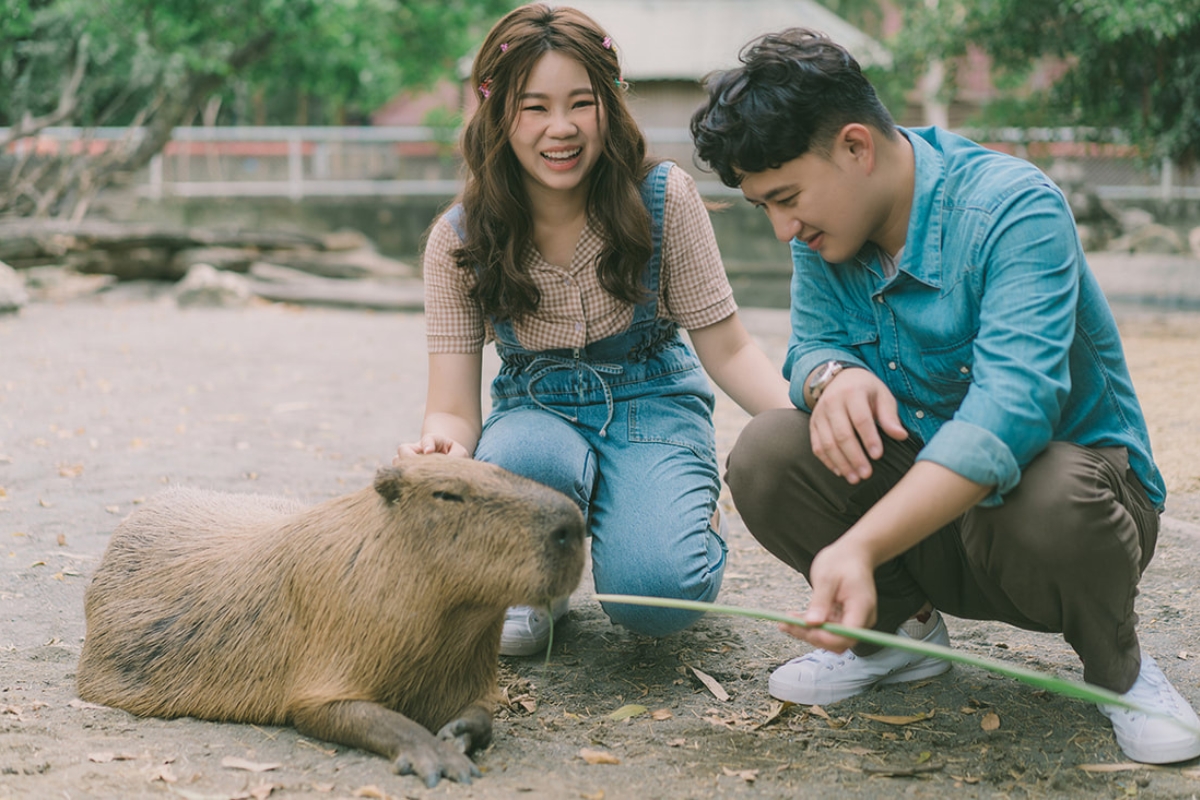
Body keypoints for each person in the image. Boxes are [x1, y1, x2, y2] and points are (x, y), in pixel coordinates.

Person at [689, 28, 1200, 764]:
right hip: (935, 523)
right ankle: (903, 636)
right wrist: (832, 378)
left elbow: (1011, 413)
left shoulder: (1011, 209)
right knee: (769, 449)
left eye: (787, 198)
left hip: (1066, 520)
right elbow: (811, 347)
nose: (782, 229)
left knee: (1045, 488)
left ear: (856, 147)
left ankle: (1119, 668)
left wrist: (859, 546)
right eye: (765, 207)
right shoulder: (827, 236)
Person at [396, 3, 790, 656]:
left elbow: (731, 349)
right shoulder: (459, 240)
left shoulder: (664, 199)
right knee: (521, 458)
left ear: (610, 104)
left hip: (653, 406)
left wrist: (805, 429)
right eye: (534, 107)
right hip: (536, 414)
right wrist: (440, 446)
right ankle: (540, 581)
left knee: (655, 600)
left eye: (580, 102)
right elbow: (453, 410)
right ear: (498, 113)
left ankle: (681, 511)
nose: (561, 128)